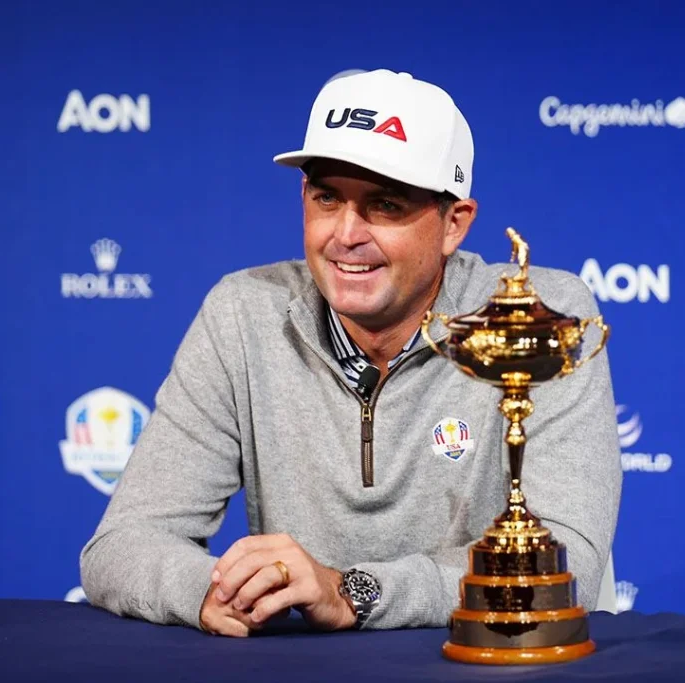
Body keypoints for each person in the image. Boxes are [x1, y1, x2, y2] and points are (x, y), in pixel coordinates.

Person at [80, 68, 622, 637]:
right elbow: (121, 544)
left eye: (384, 205)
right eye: (327, 198)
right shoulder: (243, 314)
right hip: (307, 670)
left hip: (490, 661)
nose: (345, 234)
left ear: (454, 224)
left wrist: (352, 592)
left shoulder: (538, 317)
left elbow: (565, 565)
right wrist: (218, 590)